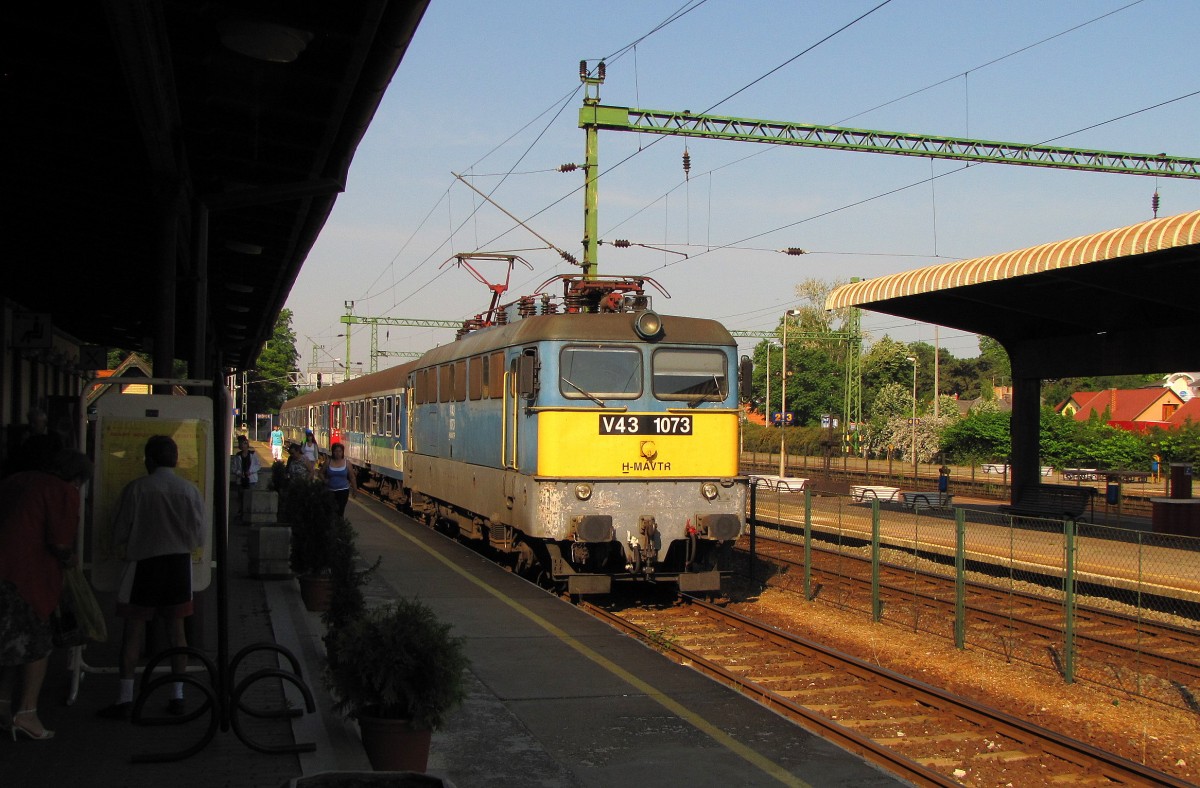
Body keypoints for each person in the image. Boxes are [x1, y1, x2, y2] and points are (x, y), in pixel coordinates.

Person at [97, 435, 205, 720]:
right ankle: (178, 694)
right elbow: (199, 535)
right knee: (177, 633)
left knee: (133, 632)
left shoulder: (137, 489)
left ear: (149, 459)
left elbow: (119, 531)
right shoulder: (189, 490)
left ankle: (125, 697)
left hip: (142, 567)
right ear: (176, 459)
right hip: (179, 567)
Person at [0, 448, 92, 740]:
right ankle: (27, 713)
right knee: (37, 646)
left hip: (3, 572)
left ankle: (2, 705)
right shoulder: (62, 491)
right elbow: (60, 542)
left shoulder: (14, 481)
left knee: (7, 645)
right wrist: (70, 562)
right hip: (30, 578)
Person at [321, 442, 355, 517]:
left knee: (340, 511)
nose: (338, 453)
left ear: (342, 452)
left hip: (343, 491)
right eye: (336, 451)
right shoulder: (328, 462)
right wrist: (324, 480)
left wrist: (354, 490)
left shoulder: (347, 463)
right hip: (330, 490)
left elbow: (352, 477)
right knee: (330, 511)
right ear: (332, 452)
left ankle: (339, 527)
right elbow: (321, 473)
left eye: (340, 451)